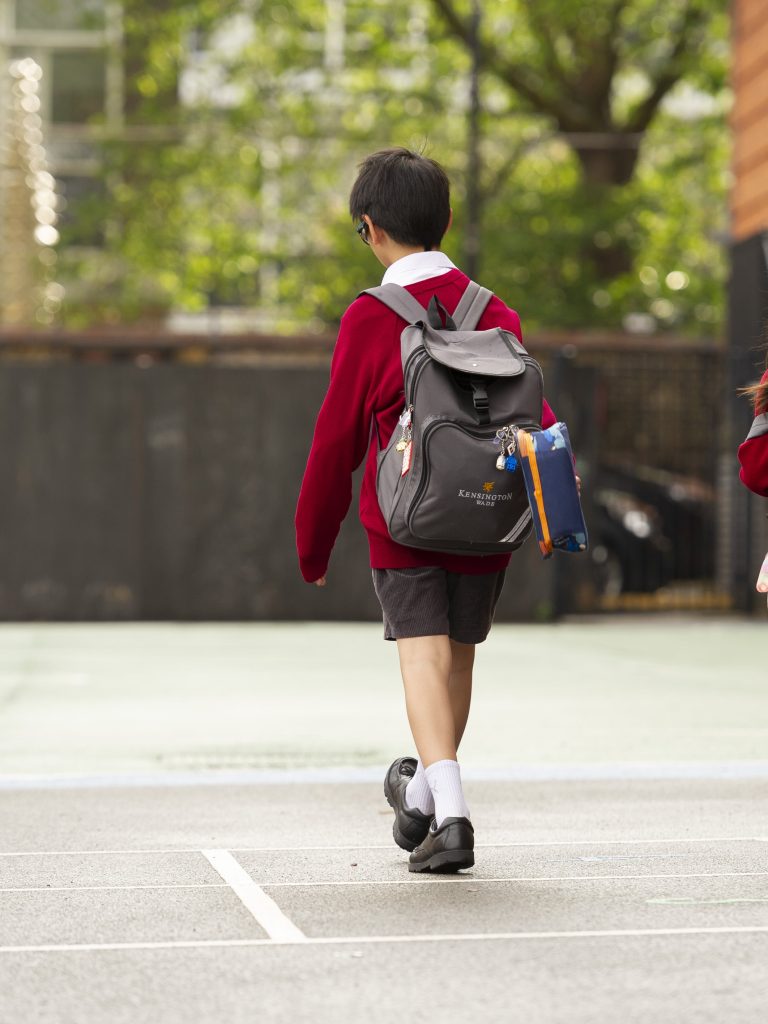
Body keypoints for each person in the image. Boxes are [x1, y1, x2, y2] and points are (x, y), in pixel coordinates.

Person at [295, 148, 558, 873]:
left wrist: (313, 546)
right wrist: (548, 512)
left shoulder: (372, 318)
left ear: (370, 229)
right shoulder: (494, 311)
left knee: (422, 655)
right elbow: (537, 415)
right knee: (459, 657)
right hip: (488, 515)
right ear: (444, 223)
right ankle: (421, 801)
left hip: (404, 519)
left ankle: (454, 814)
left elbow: (335, 440)